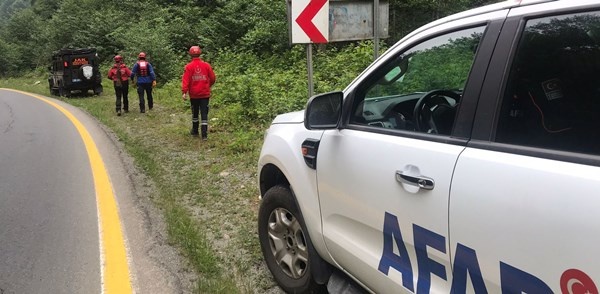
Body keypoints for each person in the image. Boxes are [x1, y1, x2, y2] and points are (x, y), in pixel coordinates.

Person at [181, 46, 216, 139]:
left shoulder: (188, 67)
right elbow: (213, 78)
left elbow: (186, 80)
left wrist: (184, 92)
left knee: (195, 112)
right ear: (200, 53)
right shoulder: (206, 65)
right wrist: (208, 85)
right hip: (205, 94)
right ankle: (204, 135)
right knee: (204, 113)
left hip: (194, 94)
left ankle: (195, 131)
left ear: (190, 54)